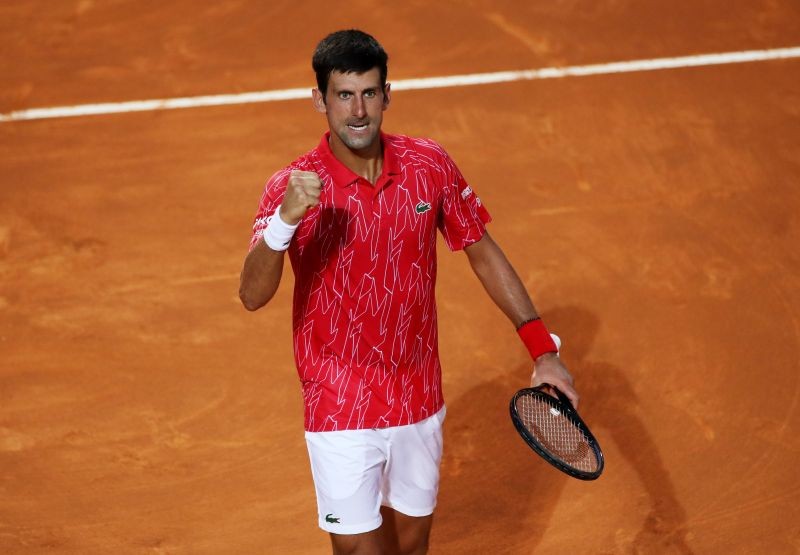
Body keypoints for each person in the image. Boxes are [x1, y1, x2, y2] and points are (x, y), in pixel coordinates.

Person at [239, 29, 578, 555]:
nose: (357, 111)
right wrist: (284, 222)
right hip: (339, 397)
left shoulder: (428, 166)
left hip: (417, 393)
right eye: (343, 95)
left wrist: (543, 350)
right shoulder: (293, 184)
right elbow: (252, 294)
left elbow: (481, 249)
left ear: (387, 96)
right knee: (359, 550)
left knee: (411, 546)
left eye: (369, 94)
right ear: (319, 101)